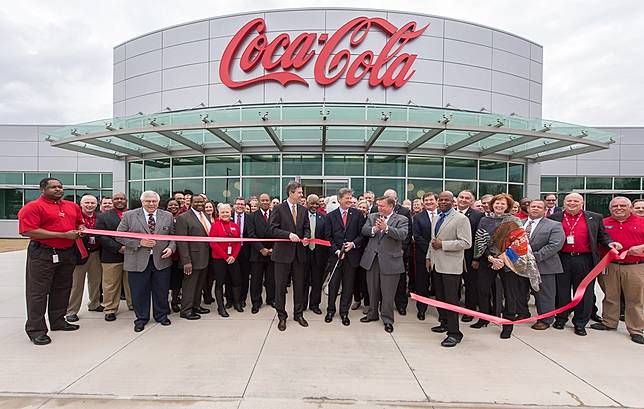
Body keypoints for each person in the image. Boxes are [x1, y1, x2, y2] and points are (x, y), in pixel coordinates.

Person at [18, 178, 84, 345]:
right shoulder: (33, 207)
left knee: (62, 288)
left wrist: (81, 228)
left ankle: (58, 321)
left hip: (67, 252)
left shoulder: (72, 206)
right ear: (43, 189)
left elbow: (79, 223)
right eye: (53, 187)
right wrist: (62, 235)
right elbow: (28, 231)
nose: (58, 189)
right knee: (38, 292)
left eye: (60, 187)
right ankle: (36, 330)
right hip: (42, 253)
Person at [549, 193, 621, 336]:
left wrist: (609, 243)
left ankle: (580, 323)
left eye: (576, 201)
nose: (572, 203)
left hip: (585, 260)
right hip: (562, 258)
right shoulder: (554, 218)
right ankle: (561, 318)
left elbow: (602, 236)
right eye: (569, 200)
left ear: (582, 203)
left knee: (584, 292)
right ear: (564, 203)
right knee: (561, 291)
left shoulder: (595, 217)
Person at [117, 191, 176, 332]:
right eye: (148, 201)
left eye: (154, 201)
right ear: (142, 202)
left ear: (158, 202)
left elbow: (173, 236)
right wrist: (139, 242)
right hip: (137, 260)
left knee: (161, 291)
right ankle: (141, 318)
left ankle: (161, 315)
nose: (151, 204)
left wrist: (171, 248)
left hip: (161, 260)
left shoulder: (167, 215)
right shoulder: (129, 215)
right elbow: (119, 235)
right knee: (139, 292)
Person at [592, 197, 644, 344]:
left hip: (635, 266)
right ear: (610, 209)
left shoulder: (641, 221)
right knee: (610, 295)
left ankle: (636, 329)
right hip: (609, 265)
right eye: (615, 206)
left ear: (630, 208)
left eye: (622, 206)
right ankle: (609, 322)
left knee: (635, 299)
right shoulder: (603, 223)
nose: (618, 208)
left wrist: (642, 247)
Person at [472, 193, 524, 339]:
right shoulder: (484, 220)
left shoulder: (514, 221)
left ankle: (507, 325)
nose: (499, 206)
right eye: (497, 203)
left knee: (509, 293)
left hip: (508, 261)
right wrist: (490, 258)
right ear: (492, 205)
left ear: (508, 206)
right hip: (487, 260)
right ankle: (484, 318)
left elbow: (519, 243)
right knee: (482, 290)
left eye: (503, 204)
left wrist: (501, 259)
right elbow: (480, 241)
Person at [426, 191, 472, 347]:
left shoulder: (461, 219)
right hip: (436, 265)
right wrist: (428, 257)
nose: (443, 202)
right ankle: (444, 323)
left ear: (453, 202)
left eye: (447, 200)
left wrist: (443, 245)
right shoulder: (437, 218)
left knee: (451, 300)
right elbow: (432, 241)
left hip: (451, 266)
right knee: (440, 297)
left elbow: (466, 243)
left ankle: (454, 333)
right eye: (441, 199)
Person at [360, 196, 409, 333]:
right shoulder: (372, 216)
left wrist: (386, 228)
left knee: (388, 293)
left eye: (382, 206)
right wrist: (375, 229)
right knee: (372, 290)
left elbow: (403, 235)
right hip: (372, 259)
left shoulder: (401, 219)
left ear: (391, 206)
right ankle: (372, 314)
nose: (379, 208)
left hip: (390, 261)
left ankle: (387, 319)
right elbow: (364, 230)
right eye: (378, 205)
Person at [270, 180, 311, 331]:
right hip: (282, 255)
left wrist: (306, 237)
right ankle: (282, 316)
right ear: (291, 193)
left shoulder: (303, 210)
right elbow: (272, 229)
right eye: (299, 192)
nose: (301, 195)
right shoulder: (278, 209)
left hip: (299, 255)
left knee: (299, 287)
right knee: (280, 287)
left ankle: (298, 314)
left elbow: (307, 227)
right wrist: (288, 235)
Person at [324, 188, 365, 325]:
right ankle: (330, 310)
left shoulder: (358, 215)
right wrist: (337, 251)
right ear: (339, 199)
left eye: (351, 198)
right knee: (333, 285)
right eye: (347, 198)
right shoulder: (331, 216)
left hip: (352, 257)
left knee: (348, 286)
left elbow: (362, 235)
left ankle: (344, 312)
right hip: (335, 257)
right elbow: (328, 237)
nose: (350, 200)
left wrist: (353, 244)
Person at [524, 200, 565, 330]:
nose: (535, 209)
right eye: (533, 206)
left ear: (544, 210)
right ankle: (522, 313)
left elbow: (555, 245)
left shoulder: (554, 225)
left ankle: (545, 319)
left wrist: (533, 257)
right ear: (528, 209)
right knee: (520, 291)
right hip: (520, 265)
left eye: (539, 207)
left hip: (544, 264)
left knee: (544, 295)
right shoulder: (519, 223)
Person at [96, 192, 133, 322]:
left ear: (126, 200)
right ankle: (110, 309)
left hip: (132, 255)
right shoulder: (103, 216)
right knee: (110, 285)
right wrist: (118, 248)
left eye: (122, 198)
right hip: (111, 256)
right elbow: (101, 236)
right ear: (113, 201)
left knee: (132, 283)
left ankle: (133, 304)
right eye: (116, 199)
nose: (119, 201)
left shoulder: (134, 214)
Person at [66, 195, 103, 322]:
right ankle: (71, 311)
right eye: (87, 202)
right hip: (79, 253)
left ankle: (94, 304)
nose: (89, 205)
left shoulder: (100, 217)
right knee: (77, 284)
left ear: (97, 205)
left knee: (95, 281)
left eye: (92, 203)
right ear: (81, 204)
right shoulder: (74, 217)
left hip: (96, 253)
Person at [377, 189, 413, 316]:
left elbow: (407, 233)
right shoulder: (377, 211)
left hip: (398, 252)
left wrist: (402, 248)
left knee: (400, 281)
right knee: (382, 282)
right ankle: (382, 305)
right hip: (381, 253)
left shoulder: (404, 212)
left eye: (390, 198)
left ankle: (401, 304)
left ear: (395, 200)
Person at [175, 195, 211, 320]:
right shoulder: (183, 218)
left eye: (201, 202)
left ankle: (196, 306)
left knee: (199, 285)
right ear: (191, 203)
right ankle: (186, 310)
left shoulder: (205, 215)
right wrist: (186, 261)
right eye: (196, 202)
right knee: (190, 286)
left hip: (204, 257)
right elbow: (182, 242)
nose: (200, 204)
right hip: (191, 259)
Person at [209, 203, 244, 315]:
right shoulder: (215, 226)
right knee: (219, 283)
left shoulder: (235, 226)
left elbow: (238, 242)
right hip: (219, 259)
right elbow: (213, 243)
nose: (225, 214)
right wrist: (226, 256)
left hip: (233, 258)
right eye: (223, 212)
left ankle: (236, 302)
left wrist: (233, 256)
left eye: (227, 212)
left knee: (236, 280)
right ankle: (221, 307)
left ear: (230, 213)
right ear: (219, 213)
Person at [455, 190, 484, 322]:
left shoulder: (478, 216)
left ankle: (469, 310)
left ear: (472, 201)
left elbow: (479, 239)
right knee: (453, 285)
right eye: (461, 197)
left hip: (469, 257)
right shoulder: (450, 213)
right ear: (457, 199)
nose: (463, 200)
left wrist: (476, 258)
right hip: (452, 256)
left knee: (470, 285)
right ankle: (453, 309)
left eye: (467, 198)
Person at [247, 193, 275, 313]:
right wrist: (261, 249)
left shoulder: (275, 215)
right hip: (257, 253)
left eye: (267, 200)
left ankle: (271, 299)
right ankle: (256, 302)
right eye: (262, 200)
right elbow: (251, 234)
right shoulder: (252, 216)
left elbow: (278, 232)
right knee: (256, 280)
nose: (265, 202)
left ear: (269, 202)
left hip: (272, 253)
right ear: (259, 202)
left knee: (271, 279)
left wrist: (273, 248)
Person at [304, 194, 329, 315]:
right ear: (307, 203)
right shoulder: (301, 216)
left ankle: (314, 304)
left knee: (317, 281)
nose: (314, 206)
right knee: (303, 280)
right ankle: (302, 304)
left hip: (319, 255)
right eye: (312, 203)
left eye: (316, 203)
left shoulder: (324, 218)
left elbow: (327, 236)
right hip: (304, 253)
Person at [412, 192, 435, 321]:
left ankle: (443, 313)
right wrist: (430, 251)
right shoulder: (418, 217)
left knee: (439, 286)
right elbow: (417, 236)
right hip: (423, 255)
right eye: (426, 200)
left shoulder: (443, 215)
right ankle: (421, 309)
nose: (429, 202)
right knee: (422, 284)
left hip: (441, 256)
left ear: (436, 201)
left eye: (431, 200)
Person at [352, 199, 371, 310]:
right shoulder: (353, 218)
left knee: (365, 280)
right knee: (355, 279)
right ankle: (357, 299)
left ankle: (367, 303)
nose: (361, 209)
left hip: (366, 253)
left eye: (364, 208)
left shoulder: (370, 220)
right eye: (360, 207)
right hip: (355, 252)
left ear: (367, 210)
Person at [232, 197, 251, 308]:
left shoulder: (250, 218)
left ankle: (242, 299)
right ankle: (230, 299)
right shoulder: (229, 217)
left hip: (245, 251)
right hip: (231, 251)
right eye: (238, 204)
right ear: (234, 205)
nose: (240, 206)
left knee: (244, 276)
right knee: (231, 276)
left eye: (242, 204)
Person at [166, 199, 182, 312]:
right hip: (165, 254)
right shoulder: (163, 217)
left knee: (177, 281)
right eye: (170, 205)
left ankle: (175, 301)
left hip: (178, 255)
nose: (173, 207)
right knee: (164, 282)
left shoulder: (182, 218)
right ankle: (164, 304)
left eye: (175, 205)